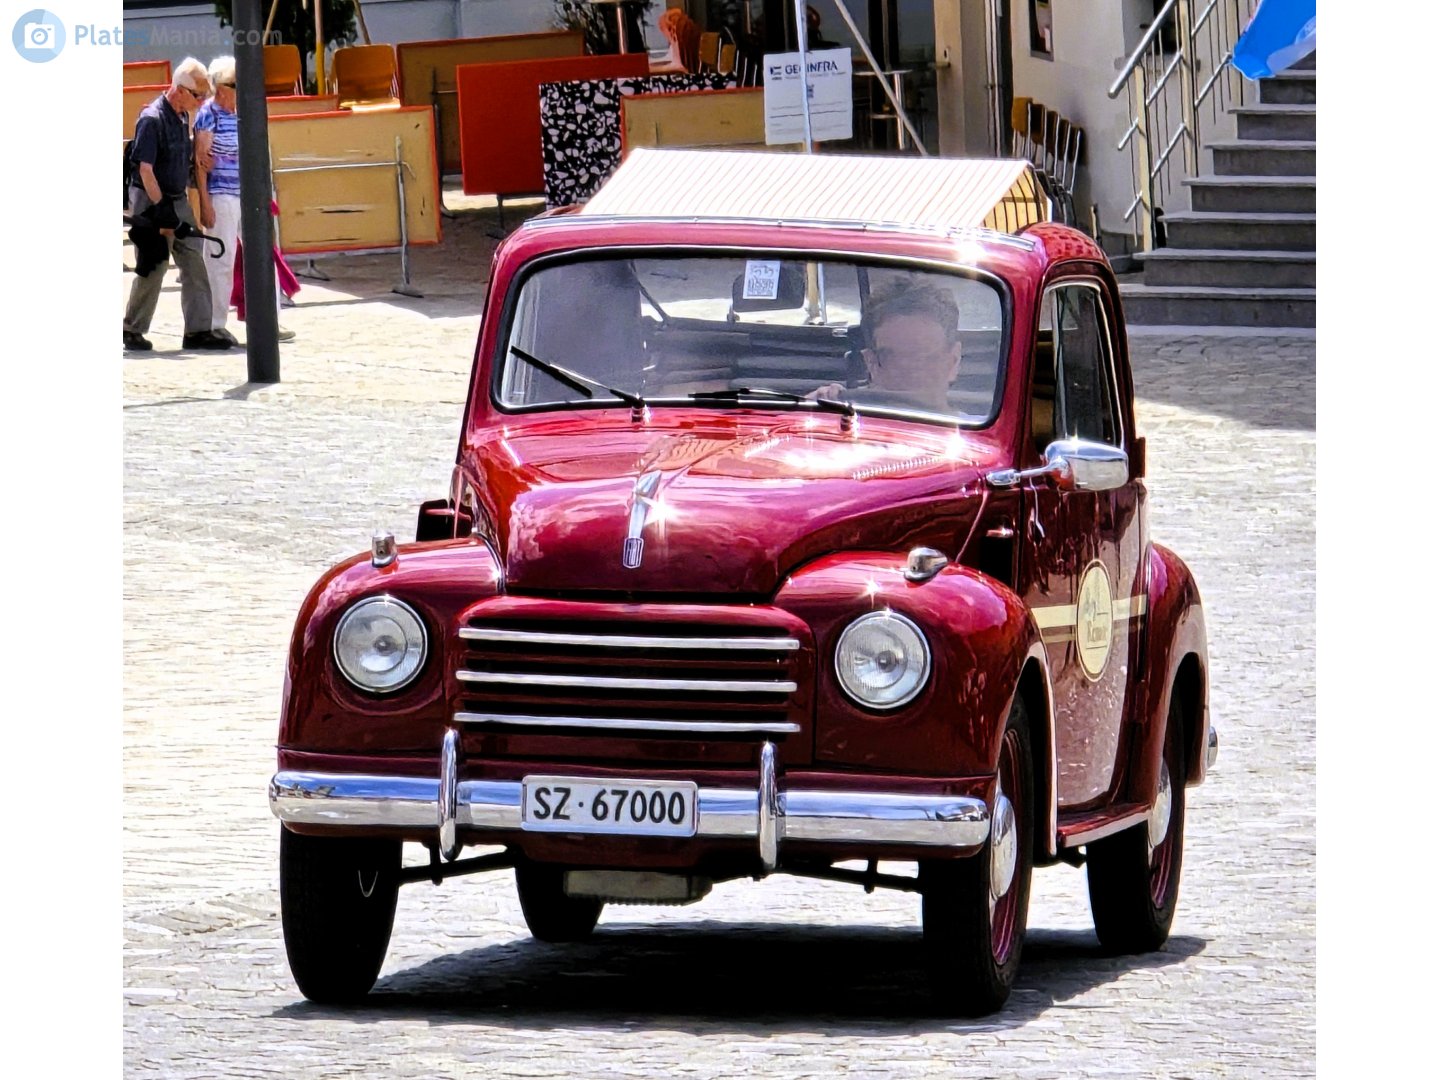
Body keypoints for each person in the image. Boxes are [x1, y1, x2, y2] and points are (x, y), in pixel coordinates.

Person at [123, 57, 229, 352]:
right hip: (151, 199)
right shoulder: (152, 118)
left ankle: (198, 330)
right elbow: (145, 168)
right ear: (180, 90)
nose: (201, 101)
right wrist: (161, 211)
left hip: (176, 197)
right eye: (197, 95)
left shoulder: (183, 117)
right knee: (154, 264)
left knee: (194, 260)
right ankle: (131, 328)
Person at [194, 56, 295, 345]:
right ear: (221, 87)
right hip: (222, 195)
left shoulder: (245, 112)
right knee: (221, 259)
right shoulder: (208, 115)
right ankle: (215, 323)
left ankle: (268, 321)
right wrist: (205, 202)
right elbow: (201, 163)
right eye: (235, 84)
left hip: (249, 195)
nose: (240, 89)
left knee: (263, 257)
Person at [813, 279, 962, 413]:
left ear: (953, 361)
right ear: (870, 363)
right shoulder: (838, 429)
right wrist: (812, 408)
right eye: (892, 358)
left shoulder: (979, 437)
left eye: (923, 356)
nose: (909, 372)